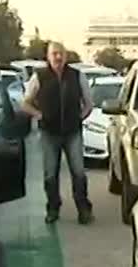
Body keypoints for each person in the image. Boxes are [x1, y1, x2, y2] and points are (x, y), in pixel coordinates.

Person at [17, 41, 94, 224]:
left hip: (72, 132)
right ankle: (53, 208)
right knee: (50, 174)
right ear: (48, 56)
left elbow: (88, 103)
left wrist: (79, 118)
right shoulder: (39, 77)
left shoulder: (77, 76)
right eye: (54, 54)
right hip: (49, 133)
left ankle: (83, 209)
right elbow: (25, 103)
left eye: (61, 53)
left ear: (66, 56)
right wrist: (39, 115)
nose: (58, 57)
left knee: (79, 172)